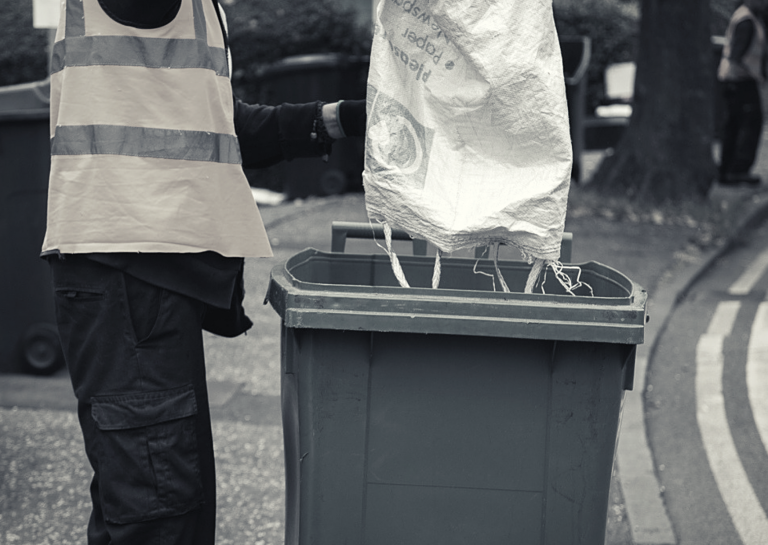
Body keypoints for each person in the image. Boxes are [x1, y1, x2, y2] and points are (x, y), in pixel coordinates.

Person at [41, 0, 366, 543]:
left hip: (141, 280)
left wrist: (338, 118)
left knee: (162, 502)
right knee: (158, 513)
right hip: (127, 274)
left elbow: (216, 125)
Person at [717, 0, 768, 186]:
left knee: (734, 125)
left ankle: (727, 170)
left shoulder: (747, 16)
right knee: (749, 125)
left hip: (734, 80)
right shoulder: (747, 20)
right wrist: (757, 74)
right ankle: (738, 171)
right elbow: (737, 55)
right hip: (742, 80)